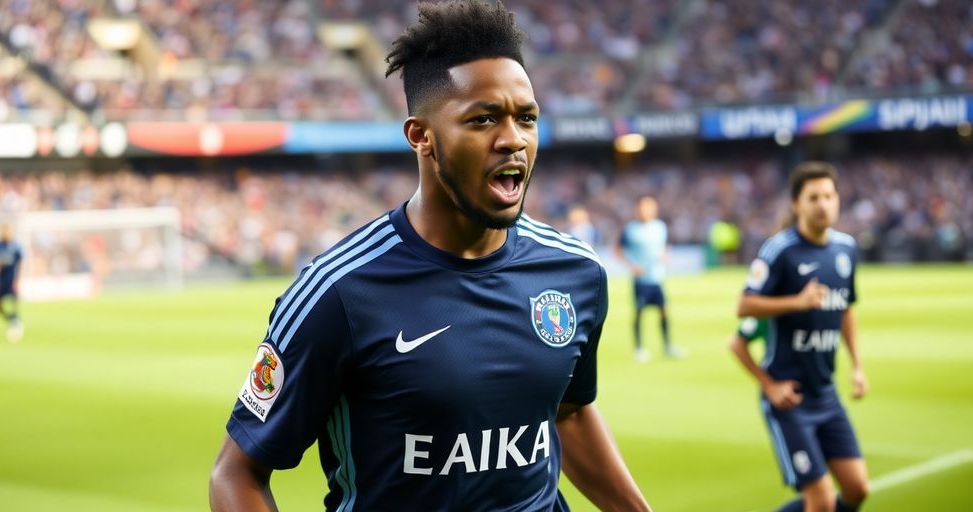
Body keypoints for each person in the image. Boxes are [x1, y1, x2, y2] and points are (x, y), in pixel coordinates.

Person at [209, 1, 653, 510]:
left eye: (526, 118)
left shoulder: (575, 272)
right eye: (484, 119)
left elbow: (569, 413)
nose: (513, 139)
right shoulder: (339, 292)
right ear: (422, 137)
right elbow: (235, 474)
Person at [734, 161, 869, 512]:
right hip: (789, 399)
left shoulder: (846, 249)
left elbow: (846, 309)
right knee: (821, 500)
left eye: (828, 196)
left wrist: (857, 366)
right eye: (813, 197)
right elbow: (744, 306)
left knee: (857, 489)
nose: (823, 204)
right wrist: (769, 385)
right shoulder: (780, 250)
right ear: (796, 204)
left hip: (827, 393)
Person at [615, 195, 685, 362]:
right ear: (638, 209)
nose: (647, 210)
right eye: (644, 207)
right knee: (639, 313)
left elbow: (666, 246)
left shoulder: (660, 227)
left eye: (650, 206)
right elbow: (617, 250)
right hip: (641, 280)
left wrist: (666, 256)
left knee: (664, 311)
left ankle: (667, 345)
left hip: (657, 278)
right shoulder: (630, 229)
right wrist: (631, 266)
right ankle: (639, 348)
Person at [0, 224, 23, 343]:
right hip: (1, 279)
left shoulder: (15, 246)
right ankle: (12, 320)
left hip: (11, 278)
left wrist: (18, 279)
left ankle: (16, 321)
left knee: (14, 301)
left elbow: (20, 262)